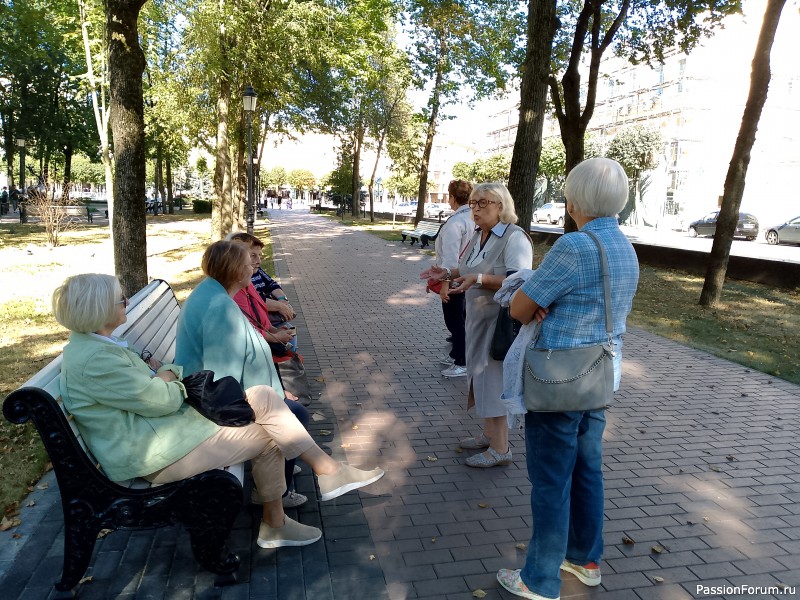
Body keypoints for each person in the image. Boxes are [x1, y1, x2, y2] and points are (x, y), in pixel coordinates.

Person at [52, 273, 383, 550]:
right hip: (150, 455)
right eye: (119, 300)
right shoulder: (97, 359)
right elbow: (161, 398)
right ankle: (283, 515)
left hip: (164, 436)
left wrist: (164, 375)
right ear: (96, 309)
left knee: (264, 396)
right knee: (272, 432)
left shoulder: (99, 347)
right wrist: (168, 375)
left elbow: (156, 386)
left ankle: (320, 480)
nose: (125, 303)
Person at [497, 158, 639, 600]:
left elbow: (520, 308)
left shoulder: (574, 246)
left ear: (576, 200)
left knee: (551, 479)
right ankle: (584, 558)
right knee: (587, 469)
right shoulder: (625, 246)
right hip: (599, 376)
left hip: (558, 379)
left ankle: (538, 579)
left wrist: (533, 300)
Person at [425, 183, 533, 468]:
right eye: (472, 203)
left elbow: (521, 279)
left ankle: (501, 449)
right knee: (480, 379)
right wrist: (447, 272)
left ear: (500, 205)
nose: (474, 209)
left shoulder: (514, 237)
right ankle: (489, 435)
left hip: (500, 325)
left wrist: (481, 281)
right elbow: (470, 268)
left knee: (494, 382)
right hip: (477, 321)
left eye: (482, 203)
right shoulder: (478, 234)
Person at [420, 180, 473, 378]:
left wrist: (444, 286)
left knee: (454, 321)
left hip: (454, 280)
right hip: (468, 278)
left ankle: (462, 361)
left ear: (452, 198)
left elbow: (450, 259)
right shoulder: (472, 218)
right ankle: (457, 354)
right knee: (464, 320)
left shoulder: (455, 223)